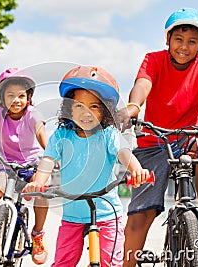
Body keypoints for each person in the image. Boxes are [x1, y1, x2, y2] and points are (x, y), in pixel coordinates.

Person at [120, 8, 198, 266]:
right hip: (154, 141)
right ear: (167, 40)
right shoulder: (154, 60)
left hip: (189, 136)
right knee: (139, 217)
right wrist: (134, 107)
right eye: (179, 39)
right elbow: (143, 84)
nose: (184, 47)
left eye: (192, 41)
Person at [24, 65, 151, 267]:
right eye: (79, 106)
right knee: (63, 262)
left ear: (104, 111)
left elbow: (124, 153)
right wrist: (39, 181)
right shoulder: (61, 135)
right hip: (73, 214)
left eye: (94, 106)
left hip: (107, 214)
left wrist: (136, 169)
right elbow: (48, 160)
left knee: (111, 263)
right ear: (68, 108)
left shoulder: (109, 134)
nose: (86, 112)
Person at [0, 67, 49, 265]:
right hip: (7, 165)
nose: (16, 100)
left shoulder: (32, 114)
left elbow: (40, 131)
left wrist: (51, 153)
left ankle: (38, 234)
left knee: (42, 191)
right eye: (10, 95)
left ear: (28, 97)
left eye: (21, 95)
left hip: (32, 164)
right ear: (2, 98)